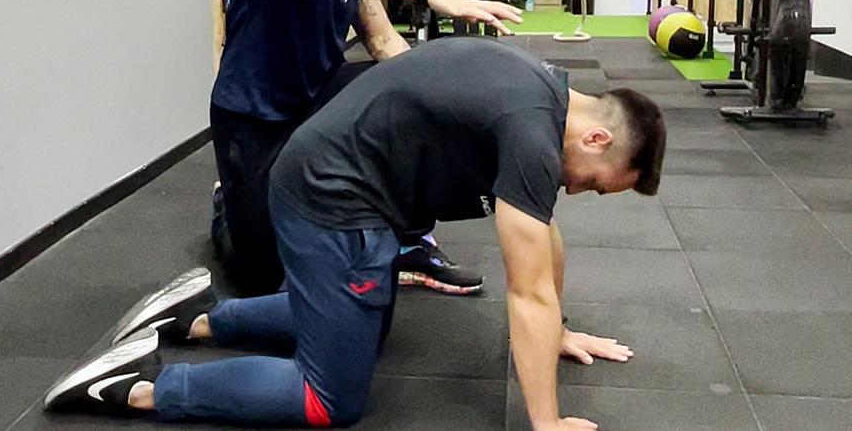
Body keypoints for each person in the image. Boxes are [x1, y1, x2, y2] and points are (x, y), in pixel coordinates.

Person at [44, 37, 667, 430]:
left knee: (363, 321)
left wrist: (557, 332)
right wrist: (547, 422)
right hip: (330, 199)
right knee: (329, 401)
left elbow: (543, 235)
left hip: (336, 181)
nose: (578, 190)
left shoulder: (544, 92)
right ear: (597, 139)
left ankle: (196, 320)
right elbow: (526, 292)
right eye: (595, 183)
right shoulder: (534, 134)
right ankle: (134, 389)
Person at [210, 0, 523, 297]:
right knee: (260, 280)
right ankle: (227, 207)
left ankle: (410, 240)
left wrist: (449, 95)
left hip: (315, 102)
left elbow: (382, 42)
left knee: (411, 93)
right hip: (252, 114)